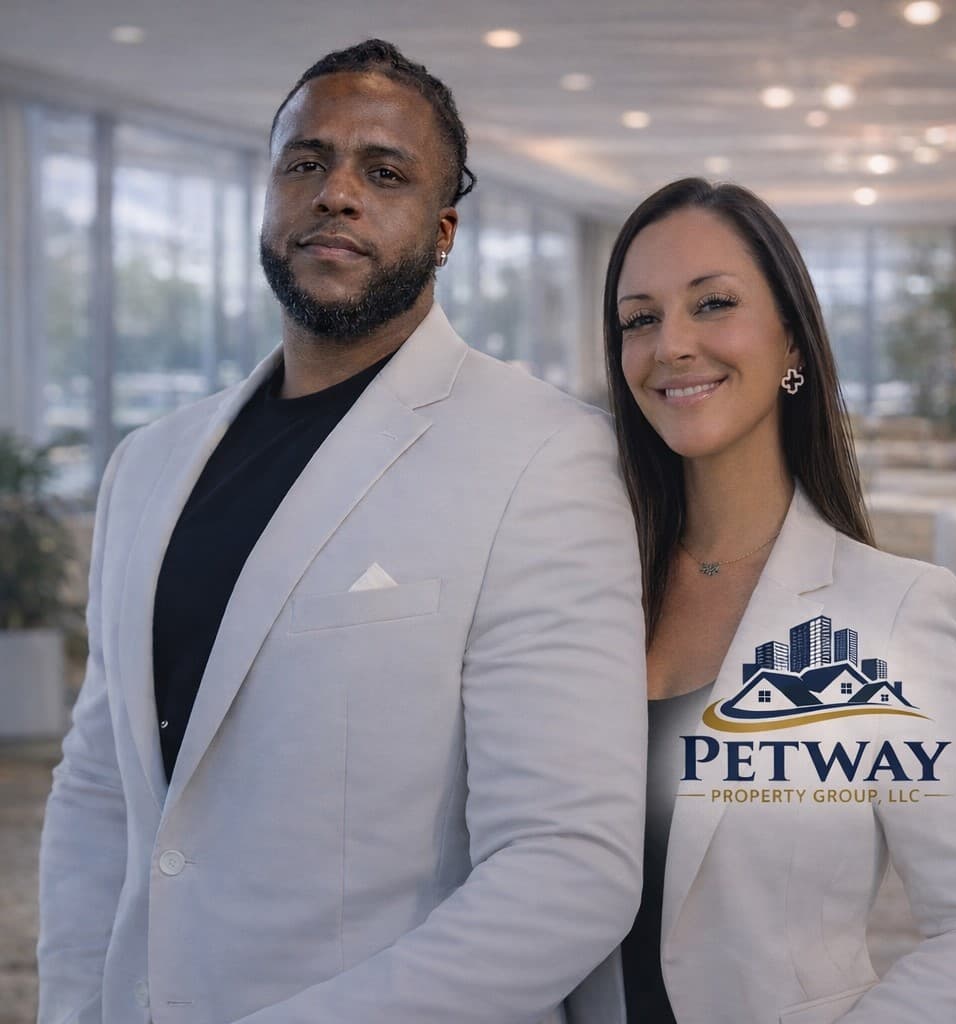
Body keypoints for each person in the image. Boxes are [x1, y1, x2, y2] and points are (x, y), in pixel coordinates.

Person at [37, 40, 647, 1024]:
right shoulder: (147, 462)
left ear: (443, 231)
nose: (337, 194)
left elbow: (567, 863)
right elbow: (99, 788)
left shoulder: (543, 456)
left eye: (385, 172)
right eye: (306, 162)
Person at [604, 176, 956, 1023]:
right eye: (640, 318)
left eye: (712, 303)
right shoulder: (581, 588)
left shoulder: (889, 613)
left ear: (792, 341)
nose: (672, 344)